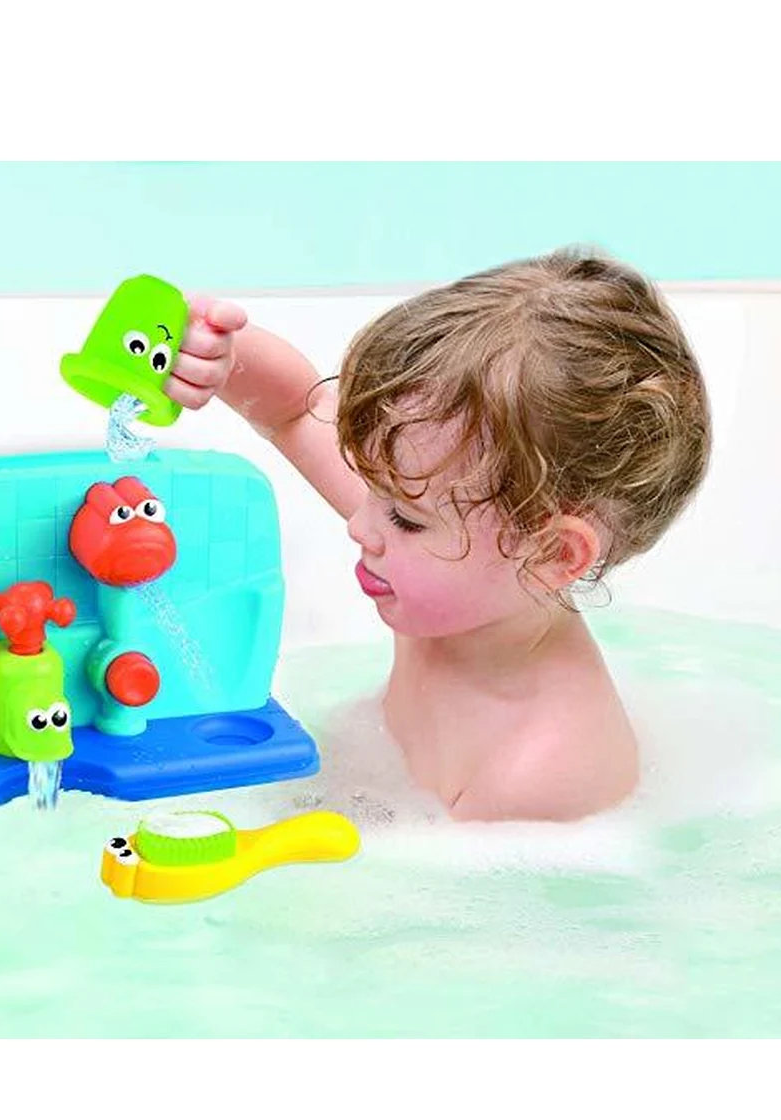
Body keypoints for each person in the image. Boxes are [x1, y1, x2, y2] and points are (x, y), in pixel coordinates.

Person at [164, 248, 711, 821]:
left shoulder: (541, 773)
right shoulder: (465, 558)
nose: (359, 523)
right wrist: (221, 357)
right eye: (372, 488)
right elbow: (296, 412)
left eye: (405, 518)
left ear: (553, 552)